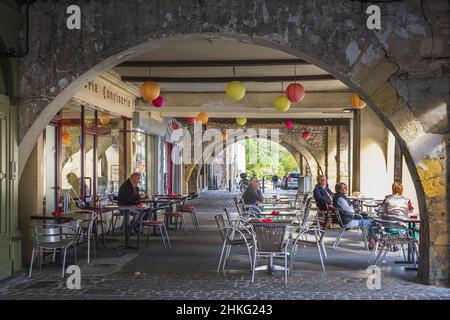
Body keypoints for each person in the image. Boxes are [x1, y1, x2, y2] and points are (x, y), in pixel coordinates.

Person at [333, 182, 376, 248]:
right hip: (347, 221)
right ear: (339, 189)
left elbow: (348, 209)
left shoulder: (339, 197)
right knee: (371, 222)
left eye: (346, 187)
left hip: (347, 218)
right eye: (344, 188)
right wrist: (354, 210)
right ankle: (372, 242)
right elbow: (349, 210)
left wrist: (355, 211)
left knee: (367, 217)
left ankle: (372, 240)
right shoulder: (340, 198)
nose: (346, 189)